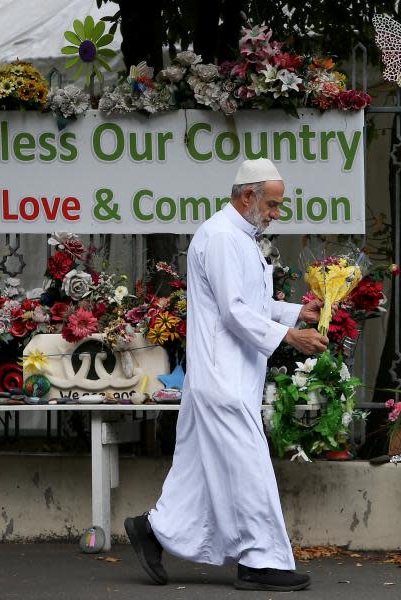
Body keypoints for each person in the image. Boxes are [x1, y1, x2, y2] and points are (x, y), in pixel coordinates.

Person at [124, 158, 329, 592]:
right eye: (272, 205)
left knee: (197, 472)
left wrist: (297, 311)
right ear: (247, 196)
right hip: (223, 378)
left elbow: (246, 303)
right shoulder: (220, 237)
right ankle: (261, 560)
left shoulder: (237, 236)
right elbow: (236, 312)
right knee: (249, 467)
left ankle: (152, 530)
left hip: (226, 375)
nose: (276, 213)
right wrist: (291, 336)